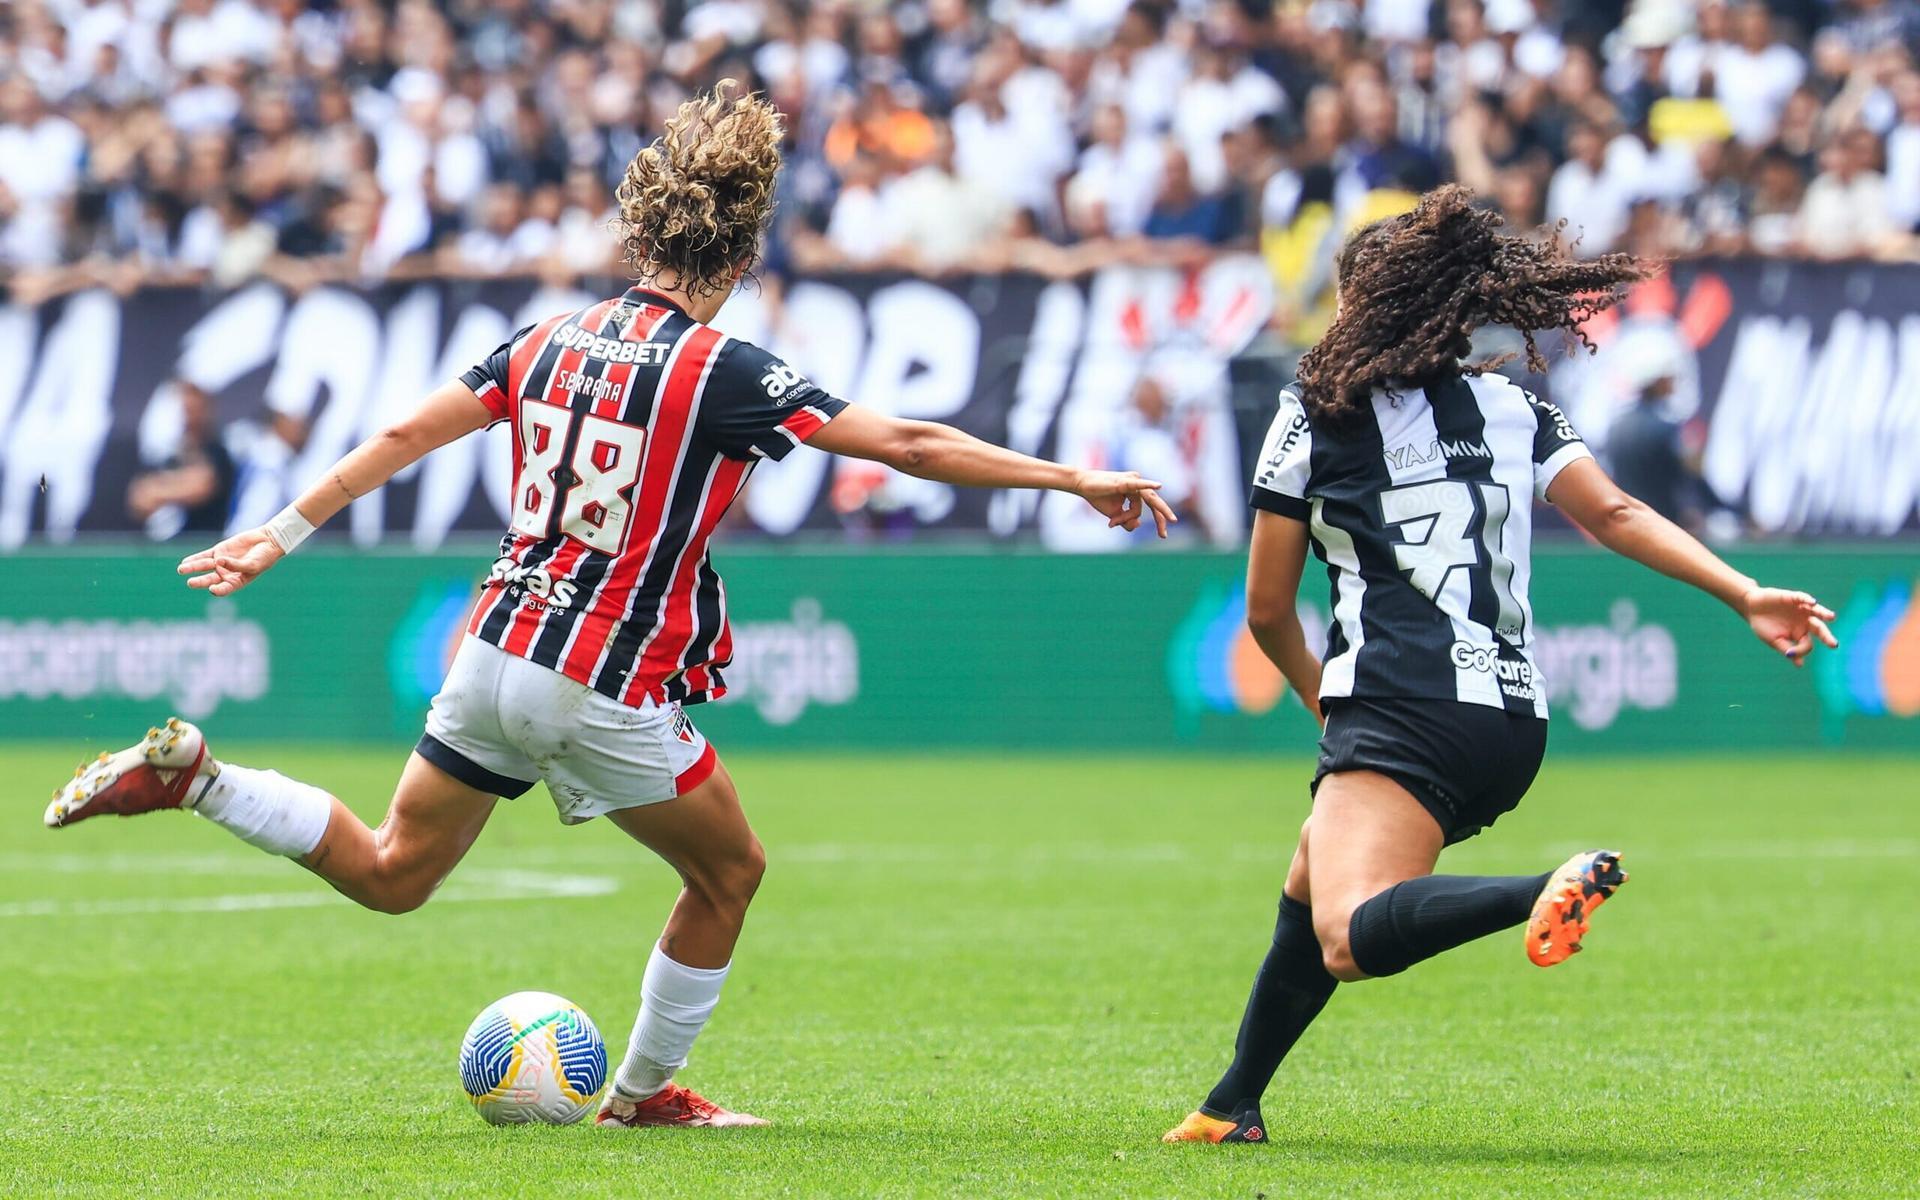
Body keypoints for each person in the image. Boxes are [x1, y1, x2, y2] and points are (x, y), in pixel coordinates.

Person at [43, 83, 1174, 1131]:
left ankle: (199, 778)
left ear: (640, 235)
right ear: (739, 254)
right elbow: (913, 443)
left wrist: (275, 534)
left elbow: (399, 436)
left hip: (491, 643)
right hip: (592, 675)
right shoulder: (723, 369)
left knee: (394, 873)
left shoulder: (542, 340)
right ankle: (641, 1097)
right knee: (730, 874)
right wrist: (1073, 478)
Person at [1163, 185, 1836, 1145]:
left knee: (1348, 934)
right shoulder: (1515, 405)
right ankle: (1232, 1105)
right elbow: (1618, 515)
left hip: (1399, 704)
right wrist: (1743, 592)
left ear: (1365, 305)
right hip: (1512, 720)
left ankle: (1544, 889)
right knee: (1313, 876)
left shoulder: (1313, 417)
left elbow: (1268, 611)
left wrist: (1328, 705)